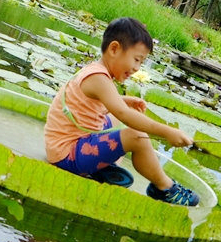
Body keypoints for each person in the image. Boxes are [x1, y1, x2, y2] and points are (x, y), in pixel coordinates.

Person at [45, 17, 200, 206]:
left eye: (141, 63)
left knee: (112, 120)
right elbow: (124, 114)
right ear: (114, 49)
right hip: (66, 156)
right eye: (136, 60)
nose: (137, 68)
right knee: (136, 136)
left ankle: (99, 167)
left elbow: (91, 103)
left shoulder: (96, 71)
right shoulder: (99, 78)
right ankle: (164, 187)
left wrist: (123, 100)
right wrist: (166, 131)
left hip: (71, 144)